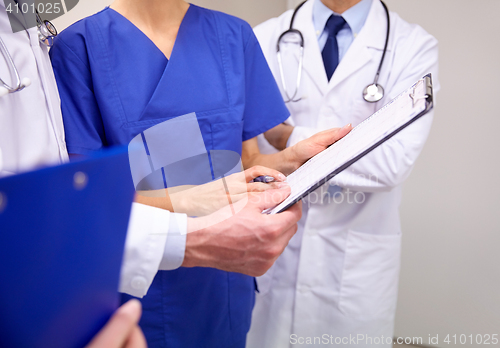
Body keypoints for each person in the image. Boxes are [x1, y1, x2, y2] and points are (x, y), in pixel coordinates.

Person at [0, 1, 306, 346]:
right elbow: (86, 200)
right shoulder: (79, 46)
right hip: (141, 289)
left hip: (227, 283)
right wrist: (190, 201)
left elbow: (246, 161)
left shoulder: (233, 35)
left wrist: (294, 156)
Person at [247, 0, 440, 347]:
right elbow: (249, 158)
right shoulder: (264, 38)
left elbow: (391, 163)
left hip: (355, 265)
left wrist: (288, 137)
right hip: (275, 253)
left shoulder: (412, 46)